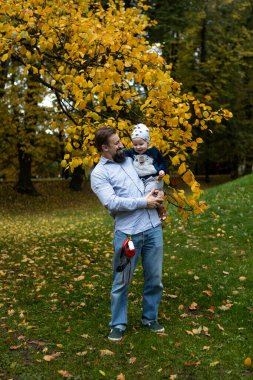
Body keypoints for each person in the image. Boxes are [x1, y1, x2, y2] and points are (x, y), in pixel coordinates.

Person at [90, 126, 165, 342]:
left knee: (155, 278)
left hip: (152, 229)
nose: (122, 145)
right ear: (104, 148)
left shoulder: (130, 160)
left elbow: (149, 180)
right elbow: (111, 202)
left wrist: (158, 193)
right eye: (116, 143)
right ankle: (118, 324)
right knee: (122, 280)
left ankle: (150, 318)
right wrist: (144, 202)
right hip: (128, 235)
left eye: (120, 140)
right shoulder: (99, 174)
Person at [124, 123, 168, 221]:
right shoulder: (132, 152)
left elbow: (162, 163)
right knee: (140, 194)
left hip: (154, 179)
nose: (138, 147)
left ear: (147, 142)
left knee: (148, 194)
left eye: (141, 144)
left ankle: (160, 207)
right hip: (141, 180)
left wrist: (162, 170)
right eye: (135, 144)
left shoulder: (153, 152)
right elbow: (122, 153)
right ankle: (150, 214)